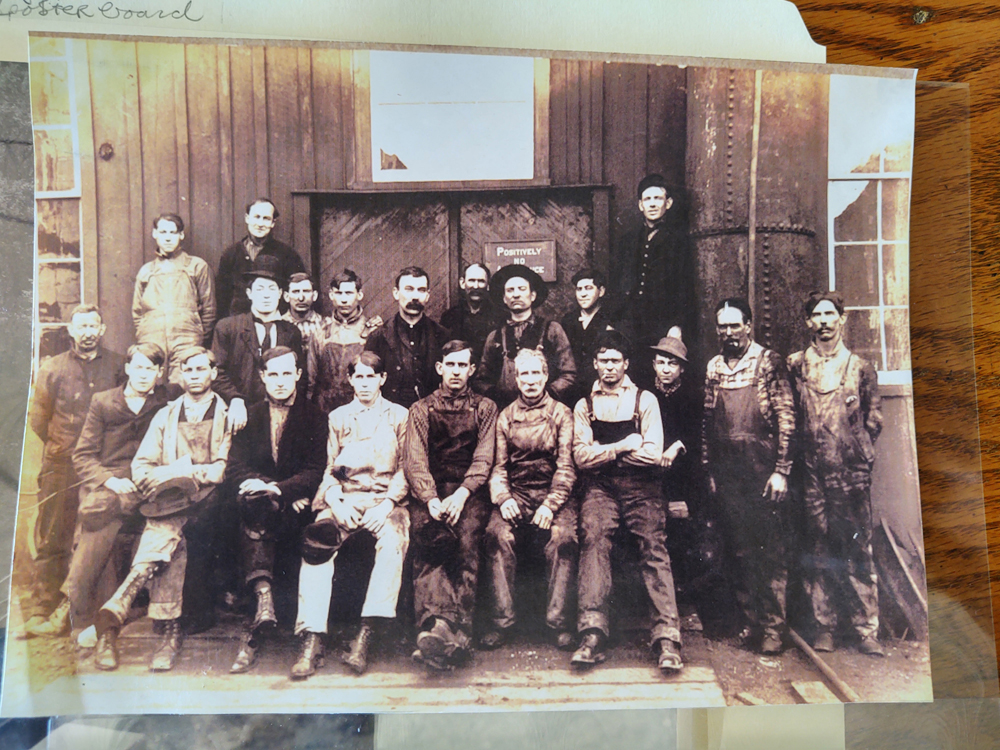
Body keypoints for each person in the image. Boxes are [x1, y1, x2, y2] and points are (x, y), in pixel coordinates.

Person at [92, 346, 231, 672]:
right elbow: (141, 470)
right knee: (172, 535)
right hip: (172, 503)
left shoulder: (228, 414)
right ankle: (169, 631)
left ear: (213, 373)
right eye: (188, 370)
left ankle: (125, 598)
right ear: (181, 376)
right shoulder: (165, 415)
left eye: (201, 369)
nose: (195, 376)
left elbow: (218, 471)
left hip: (212, 503)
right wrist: (182, 474)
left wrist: (175, 471)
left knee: (169, 528)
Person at [292, 351, 410, 679]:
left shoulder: (400, 416)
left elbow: (406, 469)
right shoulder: (339, 417)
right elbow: (329, 468)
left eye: (371, 376)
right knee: (318, 542)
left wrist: (387, 505)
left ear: (382, 379)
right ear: (350, 379)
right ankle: (313, 636)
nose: (364, 383)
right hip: (345, 499)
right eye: (358, 376)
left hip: (386, 501)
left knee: (392, 543)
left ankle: (366, 634)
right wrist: (336, 501)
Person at [571, 330, 682, 673]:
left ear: (626, 363)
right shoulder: (584, 404)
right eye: (603, 360)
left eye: (615, 360)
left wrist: (602, 453)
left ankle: (667, 638)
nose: (609, 367)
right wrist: (621, 447)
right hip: (599, 488)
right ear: (594, 364)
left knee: (653, 543)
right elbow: (580, 458)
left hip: (642, 488)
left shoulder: (644, 400)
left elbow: (651, 454)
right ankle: (592, 633)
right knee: (593, 537)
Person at [47, 344, 175, 643]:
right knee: (101, 518)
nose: (144, 375)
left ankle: (75, 609)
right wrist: (109, 480)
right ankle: (97, 623)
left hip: (149, 484)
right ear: (128, 368)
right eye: (138, 367)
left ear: (160, 373)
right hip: (112, 485)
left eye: (151, 369)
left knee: (105, 520)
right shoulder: (103, 402)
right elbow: (83, 455)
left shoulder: (167, 399)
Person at [787, 291, 884, 656]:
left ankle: (865, 630)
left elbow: (874, 421)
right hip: (811, 474)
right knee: (819, 546)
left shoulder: (860, 368)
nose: (824, 321)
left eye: (831, 314)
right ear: (808, 322)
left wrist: (856, 459)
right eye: (817, 315)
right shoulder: (796, 364)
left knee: (858, 546)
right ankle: (823, 626)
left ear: (842, 319)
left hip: (851, 473)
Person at [22, 304, 124, 638]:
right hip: (62, 463)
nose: (88, 332)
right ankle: (43, 607)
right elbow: (38, 419)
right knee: (54, 536)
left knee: (95, 538)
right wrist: (63, 446)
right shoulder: (51, 369)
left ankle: (85, 612)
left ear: (103, 329)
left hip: (101, 466)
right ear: (70, 330)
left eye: (94, 325)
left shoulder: (118, 366)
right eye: (81, 326)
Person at [226, 347, 327, 674]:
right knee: (253, 505)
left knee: (260, 511)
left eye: (288, 373)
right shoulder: (251, 415)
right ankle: (260, 607)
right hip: (265, 504)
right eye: (274, 374)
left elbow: (315, 470)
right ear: (263, 377)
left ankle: (264, 597)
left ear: (298, 374)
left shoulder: (314, 415)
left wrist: (280, 491)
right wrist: (274, 489)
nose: (281, 381)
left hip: (296, 510)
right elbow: (236, 468)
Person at [702, 298, 795, 655]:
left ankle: (773, 628)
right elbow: (707, 422)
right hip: (728, 472)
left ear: (749, 325)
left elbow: (786, 418)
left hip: (762, 469)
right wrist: (709, 468)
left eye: (734, 325)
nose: (727, 332)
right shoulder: (713, 367)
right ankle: (751, 623)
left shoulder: (768, 361)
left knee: (769, 552)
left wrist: (781, 472)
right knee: (738, 549)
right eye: (721, 326)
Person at [404, 340, 498, 670]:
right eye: (451, 365)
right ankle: (436, 627)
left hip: (469, 492)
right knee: (430, 541)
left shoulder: (485, 408)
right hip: (430, 491)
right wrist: (430, 499)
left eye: (463, 366)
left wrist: (461, 495)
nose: (456, 372)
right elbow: (414, 462)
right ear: (440, 368)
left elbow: (484, 457)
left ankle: (459, 630)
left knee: (468, 540)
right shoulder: (421, 408)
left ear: (472, 370)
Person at [481, 348, 577, 651]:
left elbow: (566, 467)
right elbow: (498, 468)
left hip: (553, 493)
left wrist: (551, 503)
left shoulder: (562, 414)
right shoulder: (505, 416)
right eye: (524, 374)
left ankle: (558, 622)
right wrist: (503, 497)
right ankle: (502, 621)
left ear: (546, 376)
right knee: (497, 535)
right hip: (518, 492)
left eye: (537, 373)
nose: (531, 380)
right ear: (516, 378)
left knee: (563, 538)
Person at [211, 255, 304, 433]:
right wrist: (235, 399)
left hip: (280, 413)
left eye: (271, 288)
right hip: (239, 413)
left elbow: (300, 376)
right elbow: (217, 372)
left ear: (280, 294)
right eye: (260, 289)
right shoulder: (228, 327)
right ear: (249, 293)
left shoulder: (291, 332)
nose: (266, 295)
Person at [473, 264, 576, 409]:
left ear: (532, 296)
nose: (516, 294)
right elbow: (481, 380)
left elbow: (568, 374)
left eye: (521, 289)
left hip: (545, 411)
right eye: (510, 290)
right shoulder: (495, 336)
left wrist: (545, 395)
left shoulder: (552, 330)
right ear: (504, 298)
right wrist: (497, 396)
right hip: (505, 412)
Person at [610, 174, 694, 349]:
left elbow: (684, 287)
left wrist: (677, 326)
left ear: (668, 203)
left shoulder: (678, 240)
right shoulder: (628, 240)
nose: (653, 204)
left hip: (662, 323)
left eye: (658, 198)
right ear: (641, 205)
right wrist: (613, 321)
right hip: (630, 324)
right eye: (647, 199)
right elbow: (616, 283)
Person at [132, 213, 216, 381]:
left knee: (181, 388)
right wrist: (147, 333)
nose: (168, 238)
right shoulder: (146, 271)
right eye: (163, 232)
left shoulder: (196, 266)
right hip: (152, 341)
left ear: (181, 235)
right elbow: (137, 312)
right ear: (155, 234)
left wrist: (196, 334)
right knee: (152, 389)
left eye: (173, 233)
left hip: (187, 341)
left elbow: (209, 309)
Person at [364, 266, 448, 409]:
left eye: (421, 290)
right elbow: (368, 383)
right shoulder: (378, 337)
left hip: (433, 417)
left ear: (428, 295)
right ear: (396, 293)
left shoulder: (442, 336)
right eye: (409, 289)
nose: (415, 296)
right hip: (390, 419)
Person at [307, 269, 383, 414]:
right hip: (325, 410)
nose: (343, 299)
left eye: (349, 293)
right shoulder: (320, 333)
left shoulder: (372, 332)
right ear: (331, 295)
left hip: (361, 409)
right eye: (338, 293)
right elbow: (311, 380)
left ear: (359, 295)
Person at [216, 198, 305, 319]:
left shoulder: (287, 254)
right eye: (256, 217)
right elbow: (222, 296)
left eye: (266, 219)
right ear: (247, 218)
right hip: (238, 323)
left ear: (273, 223)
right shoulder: (231, 254)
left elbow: (297, 288)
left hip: (274, 322)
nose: (260, 224)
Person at [560, 267, 616, 404]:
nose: (583, 294)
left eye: (588, 288)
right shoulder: (568, 321)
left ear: (601, 291)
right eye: (579, 289)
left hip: (602, 389)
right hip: (572, 391)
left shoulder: (611, 320)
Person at [440, 263, 502, 361]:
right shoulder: (449, 317)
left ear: (488, 285)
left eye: (481, 281)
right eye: (472, 281)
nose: (476, 286)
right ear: (462, 283)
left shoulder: (499, 317)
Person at [282, 273, 325, 348]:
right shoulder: (279, 326)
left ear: (314, 296)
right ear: (286, 296)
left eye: (306, 291)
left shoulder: (325, 325)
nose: (301, 298)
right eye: (296, 292)